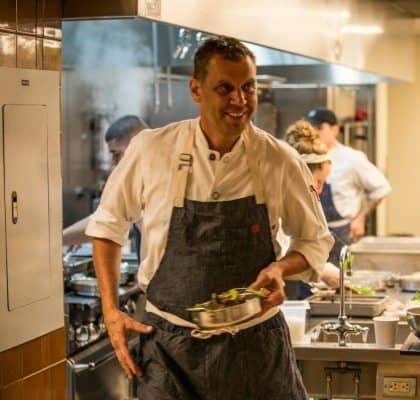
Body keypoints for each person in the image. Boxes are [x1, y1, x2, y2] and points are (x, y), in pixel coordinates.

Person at [85, 36, 333, 400]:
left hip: (256, 351)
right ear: (196, 90)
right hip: (170, 352)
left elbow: (314, 241)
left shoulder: (279, 158)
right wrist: (110, 310)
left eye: (248, 87)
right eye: (225, 88)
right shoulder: (152, 149)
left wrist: (281, 269)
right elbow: (107, 226)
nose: (240, 100)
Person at [307, 107, 391, 264]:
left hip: (341, 234)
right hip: (310, 235)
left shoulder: (352, 159)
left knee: (340, 284)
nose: (314, 133)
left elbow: (382, 188)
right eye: (310, 128)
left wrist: (360, 218)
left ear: (335, 129)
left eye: (319, 128)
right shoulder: (303, 156)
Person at [62, 115, 148, 258]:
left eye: (116, 154)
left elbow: (103, 224)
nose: (114, 162)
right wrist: (68, 236)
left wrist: (57, 240)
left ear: (137, 144)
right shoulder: (136, 181)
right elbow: (105, 220)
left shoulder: (152, 179)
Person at [282, 119, 339, 289]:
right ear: (301, 175)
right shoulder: (275, 201)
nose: (320, 190)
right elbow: (277, 256)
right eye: (318, 182)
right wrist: (322, 270)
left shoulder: (301, 203)